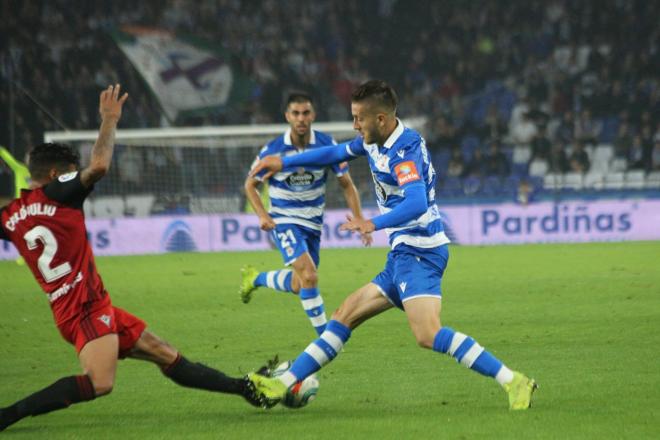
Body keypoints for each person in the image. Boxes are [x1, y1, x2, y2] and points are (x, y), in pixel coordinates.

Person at [246, 80, 537, 410]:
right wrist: (284, 163)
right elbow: (336, 152)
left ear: (380, 119)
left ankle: (514, 381)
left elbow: (416, 203)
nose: (355, 125)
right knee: (343, 316)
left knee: (427, 334)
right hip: (403, 253)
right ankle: (281, 383)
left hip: (420, 252)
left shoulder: (403, 151)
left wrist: (373, 223)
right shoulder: (374, 141)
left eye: (359, 118)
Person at [0, 85, 267, 432]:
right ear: (56, 174)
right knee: (100, 382)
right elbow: (98, 166)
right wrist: (108, 121)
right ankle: (8, 415)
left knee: (162, 351)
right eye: (70, 171)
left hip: (84, 307)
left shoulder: (11, 215)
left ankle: (241, 387)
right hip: (84, 309)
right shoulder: (59, 193)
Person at [240, 92, 371, 336]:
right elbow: (250, 185)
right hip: (284, 221)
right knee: (310, 276)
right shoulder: (273, 150)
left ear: (313, 115)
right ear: (287, 116)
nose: (301, 118)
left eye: (306, 113)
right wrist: (262, 215)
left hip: (313, 224)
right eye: (296, 113)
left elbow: (347, 184)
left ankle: (255, 278)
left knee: (300, 283)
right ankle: (326, 339)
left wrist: (360, 219)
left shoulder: (326, 144)